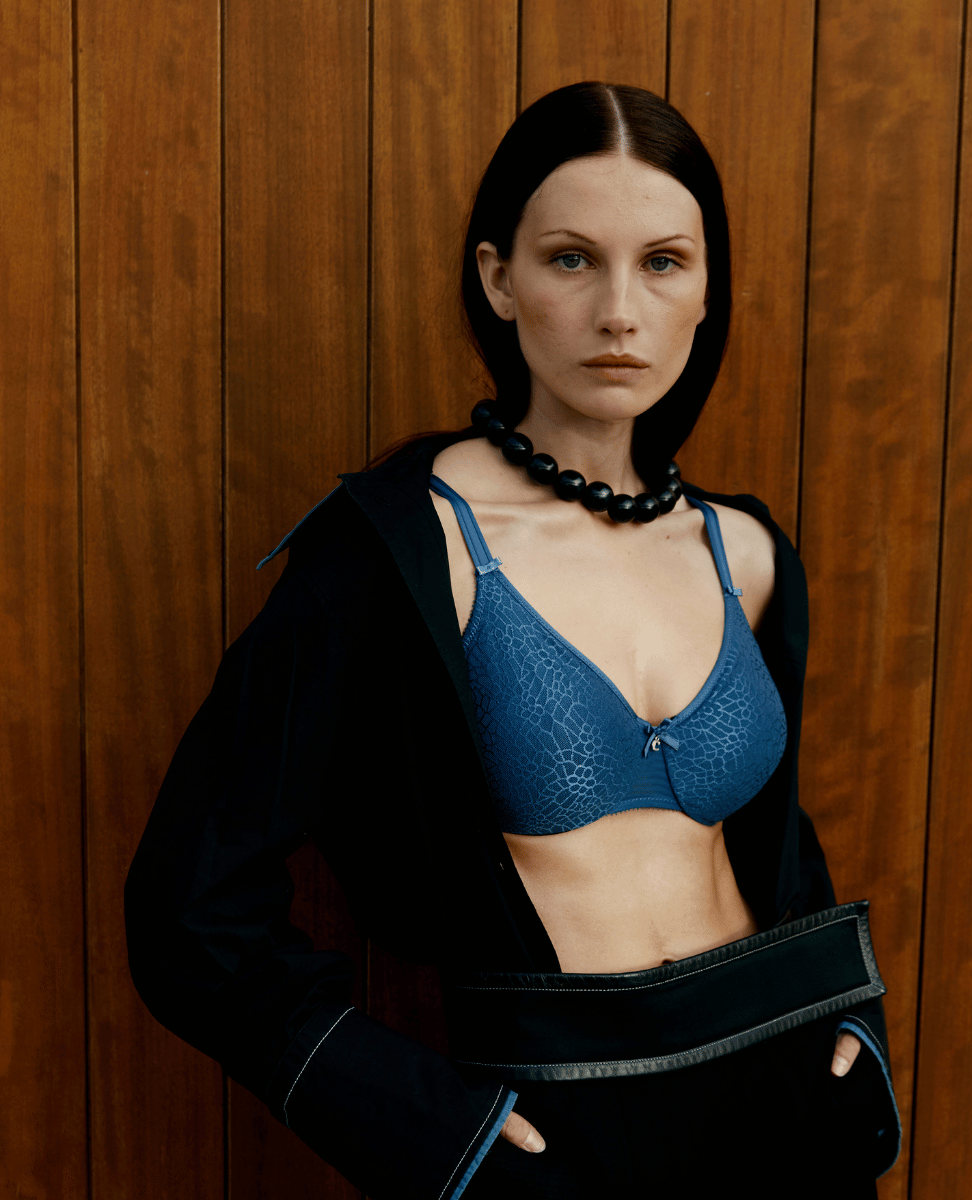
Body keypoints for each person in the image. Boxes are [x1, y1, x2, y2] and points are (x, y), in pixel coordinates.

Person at [125, 82, 900, 1199]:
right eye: (572, 259)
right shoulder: (400, 551)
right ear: (499, 278)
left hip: (790, 1106)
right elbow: (189, 907)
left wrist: (857, 1021)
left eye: (664, 263)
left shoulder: (747, 552)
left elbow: (775, 849)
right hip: (557, 1125)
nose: (620, 312)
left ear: (706, 291)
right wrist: (429, 1127)